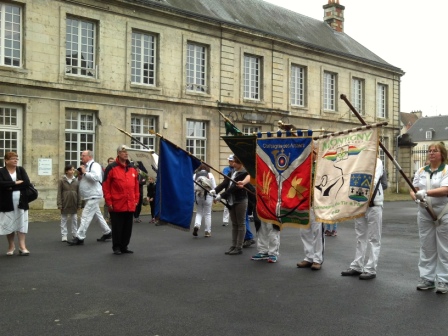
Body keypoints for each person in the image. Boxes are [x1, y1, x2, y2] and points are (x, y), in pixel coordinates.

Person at [341, 157, 387, 280]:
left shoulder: (377, 161)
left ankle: (370, 268)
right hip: (359, 202)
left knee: (374, 238)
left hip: (373, 203)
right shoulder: (356, 160)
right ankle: (357, 265)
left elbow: (374, 179)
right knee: (360, 236)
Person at [412, 142, 448, 293]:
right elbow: (414, 189)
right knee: (427, 246)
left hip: (443, 213)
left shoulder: (446, 171)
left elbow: (446, 189)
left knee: (444, 247)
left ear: (442, 154)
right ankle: (427, 277)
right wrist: (415, 196)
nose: (431, 153)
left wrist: (426, 193)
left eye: (435, 151)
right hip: (424, 213)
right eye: (429, 151)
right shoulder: (421, 170)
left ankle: (444, 279)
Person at [67, 150, 112, 246]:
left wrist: (85, 173)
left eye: (83, 155)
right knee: (98, 215)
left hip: (94, 195)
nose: (81, 157)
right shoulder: (85, 167)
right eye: (81, 155)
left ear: (89, 156)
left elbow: (96, 178)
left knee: (85, 215)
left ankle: (80, 237)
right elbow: (82, 181)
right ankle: (107, 232)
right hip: (88, 195)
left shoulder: (95, 165)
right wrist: (79, 176)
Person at [102, 145, 140, 255]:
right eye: (123, 151)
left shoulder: (132, 168)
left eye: (127, 151)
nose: (126, 153)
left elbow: (136, 186)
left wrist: (136, 199)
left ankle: (124, 245)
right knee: (117, 227)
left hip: (130, 202)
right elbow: (106, 186)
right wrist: (109, 201)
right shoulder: (112, 167)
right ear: (118, 153)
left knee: (128, 227)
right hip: (117, 202)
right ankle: (117, 246)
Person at [210, 155, 248, 255]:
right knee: (234, 224)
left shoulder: (244, 173)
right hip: (231, 200)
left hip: (240, 200)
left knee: (241, 224)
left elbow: (233, 188)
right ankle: (233, 245)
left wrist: (221, 196)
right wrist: (215, 190)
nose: (233, 163)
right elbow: (225, 183)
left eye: (235, 162)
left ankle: (239, 247)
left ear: (240, 163)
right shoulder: (232, 172)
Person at [0, 152, 32, 256]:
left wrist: (9, 187)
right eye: (13, 158)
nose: (15, 160)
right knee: (9, 223)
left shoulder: (20, 170)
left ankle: (22, 246)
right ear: (6, 160)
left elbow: (26, 183)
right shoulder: (1, 171)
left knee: (21, 223)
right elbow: (1, 185)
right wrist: (14, 183)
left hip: (21, 201)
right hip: (6, 202)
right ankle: (11, 245)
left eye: (16, 158)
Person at [57, 165, 81, 242]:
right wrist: (59, 204)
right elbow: (59, 193)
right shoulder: (62, 180)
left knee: (74, 218)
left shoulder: (76, 181)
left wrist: (79, 204)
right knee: (64, 219)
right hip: (65, 201)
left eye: (73, 170)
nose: (72, 171)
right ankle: (64, 234)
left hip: (74, 201)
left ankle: (74, 233)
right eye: (70, 170)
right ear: (66, 171)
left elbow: (79, 193)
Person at [192, 163, 216, 237]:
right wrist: (215, 197)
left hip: (198, 195)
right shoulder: (210, 175)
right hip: (208, 195)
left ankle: (197, 225)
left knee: (199, 212)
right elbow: (214, 187)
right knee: (208, 213)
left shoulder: (195, 175)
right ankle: (207, 231)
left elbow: (193, 187)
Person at [222, 155, 234, 226]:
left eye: (232, 161)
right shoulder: (226, 169)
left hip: (235, 188)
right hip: (228, 187)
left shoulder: (237, 169)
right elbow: (226, 177)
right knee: (226, 204)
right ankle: (225, 220)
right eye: (230, 161)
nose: (230, 162)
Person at [103, 157, 115, 224]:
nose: (111, 162)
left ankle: (111, 218)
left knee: (113, 205)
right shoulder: (105, 170)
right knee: (106, 204)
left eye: (113, 161)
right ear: (108, 162)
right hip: (107, 189)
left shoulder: (115, 169)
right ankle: (106, 217)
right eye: (110, 161)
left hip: (113, 190)